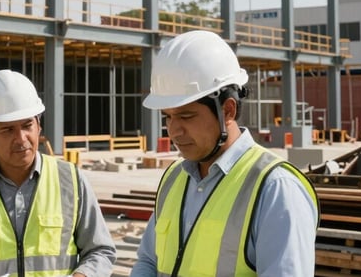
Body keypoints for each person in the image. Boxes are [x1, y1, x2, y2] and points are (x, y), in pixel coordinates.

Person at [130, 30, 319, 277]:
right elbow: (148, 261)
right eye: (167, 117)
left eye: (186, 116)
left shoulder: (275, 189)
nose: (174, 130)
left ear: (228, 111)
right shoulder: (174, 178)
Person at [0, 69, 116, 277]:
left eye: (27, 126)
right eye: (8, 130)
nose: (21, 138)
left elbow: (101, 250)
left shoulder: (70, 181)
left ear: (39, 127)